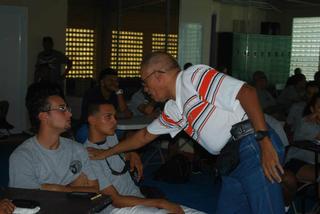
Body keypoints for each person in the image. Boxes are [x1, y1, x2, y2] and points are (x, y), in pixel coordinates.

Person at [87, 52, 285, 213]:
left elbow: (246, 92)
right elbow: (143, 137)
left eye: (145, 83)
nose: (145, 89)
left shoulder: (194, 76)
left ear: (158, 75)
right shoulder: (174, 108)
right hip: (231, 161)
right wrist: (106, 152)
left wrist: (264, 141)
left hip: (251, 146)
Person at [84, 101, 205, 214]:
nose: (115, 121)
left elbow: (118, 150)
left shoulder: (111, 138)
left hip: (137, 199)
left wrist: (130, 153)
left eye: (115, 117)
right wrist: (160, 202)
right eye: (108, 117)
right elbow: (114, 200)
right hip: (116, 209)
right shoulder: (88, 156)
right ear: (92, 120)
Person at [9, 82, 98, 193]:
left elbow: (94, 190)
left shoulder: (77, 149)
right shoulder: (24, 156)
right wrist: (74, 187)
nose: (70, 114)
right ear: (44, 116)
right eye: (62, 109)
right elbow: (25, 198)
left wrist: (57, 188)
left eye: (68, 109)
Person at [77, 68, 132, 143]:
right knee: (84, 133)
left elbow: (126, 113)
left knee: (126, 133)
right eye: (110, 80)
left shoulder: (115, 94)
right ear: (102, 82)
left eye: (116, 81)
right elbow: (95, 116)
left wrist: (119, 92)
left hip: (109, 125)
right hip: (90, 127)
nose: (114, 83)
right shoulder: (92, 93)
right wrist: (119, 115)